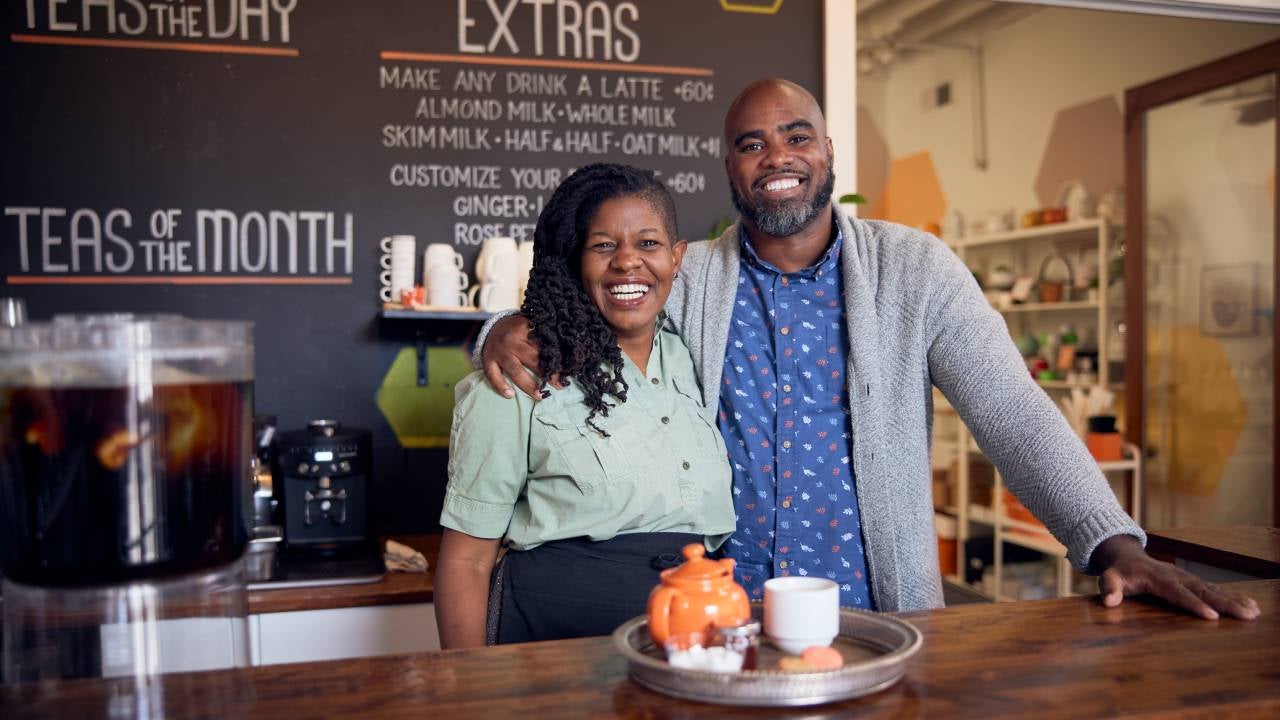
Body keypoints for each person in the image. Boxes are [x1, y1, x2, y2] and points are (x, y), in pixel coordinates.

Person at [477, 78, 1260, 621]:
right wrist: (501, 331)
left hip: (878, 615)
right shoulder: (686, 277)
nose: (776, 156)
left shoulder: (914, 270)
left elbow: (1014, 412)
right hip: (711, 613)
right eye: (751, 144)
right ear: (729, 169)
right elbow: (571, 302)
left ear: (827, 151)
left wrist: (1112, 544)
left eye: (796, 136)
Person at [434, 163, 736, 649]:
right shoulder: (517, 375)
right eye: (603, 245)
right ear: (575, 258)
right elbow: (466, 562)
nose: (627, 262)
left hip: (693, 645)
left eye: (648, 243)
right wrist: (470, 690)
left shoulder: (697, 356)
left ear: (677, 258)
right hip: (553, 646)